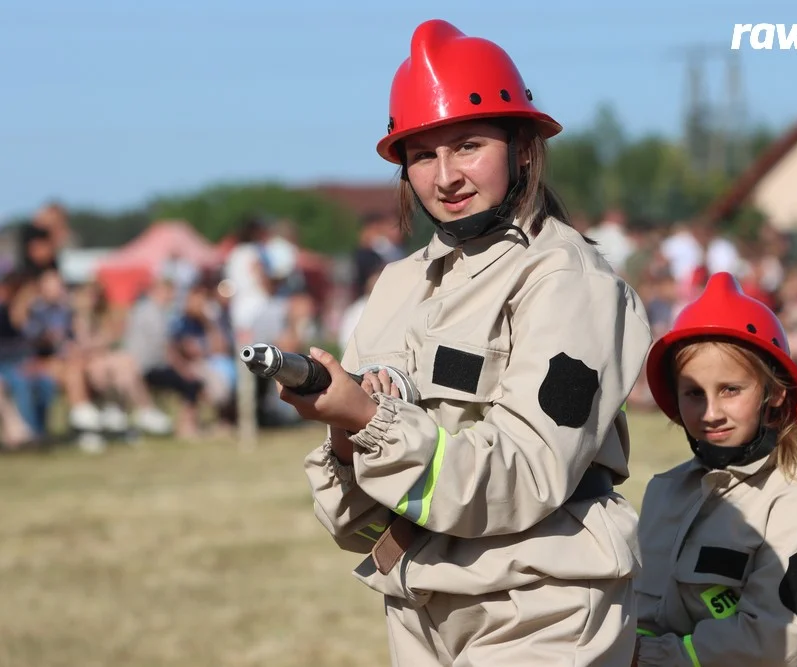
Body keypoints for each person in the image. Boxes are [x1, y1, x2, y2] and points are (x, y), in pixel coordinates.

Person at [279, 19, 652, 667]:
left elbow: (530, 474)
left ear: (524, 148)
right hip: (420, 603)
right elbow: (357, 527)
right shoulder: (396, 286)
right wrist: (343, 432)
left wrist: (369, 419)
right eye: (423, 154)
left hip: (543, 603)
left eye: (468, 145)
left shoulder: (568, 278)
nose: (445, 175)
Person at [632, 272, 797, 667]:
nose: (711, 412)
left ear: (774, 391)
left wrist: (651, 658)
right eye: (693, 393)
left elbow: (771, 640)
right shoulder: (663, 493)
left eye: (730, 390)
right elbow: (645, 614)